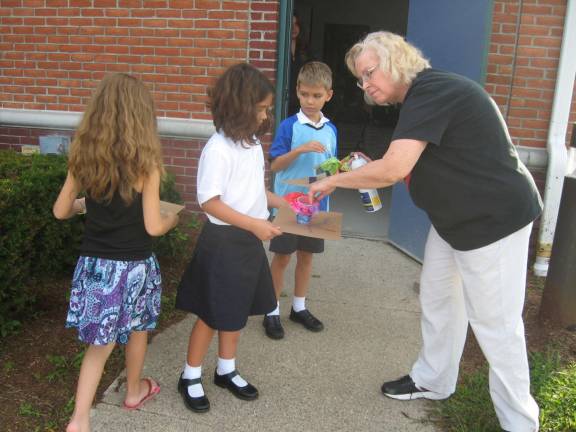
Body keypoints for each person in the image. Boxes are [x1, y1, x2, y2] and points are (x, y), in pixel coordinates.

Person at [308, 31, 542, 432]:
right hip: (454, 221)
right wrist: (365, 167)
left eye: (369, 73)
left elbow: (395, 168)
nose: (365, 86)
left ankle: (520, 422)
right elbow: (418, 159)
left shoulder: (432, 91)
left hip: (492, 221)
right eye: (360, 80)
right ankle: (433, 381)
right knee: (438, 298)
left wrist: (332, 183)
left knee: (496, 325)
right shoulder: (422, 98)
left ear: (396, 59)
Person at [53, 73, 180, 432]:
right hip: (134, 267)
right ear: (142, 117)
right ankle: (117, 401)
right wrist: (171, 218)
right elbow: (154, 226)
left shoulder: (84, 158)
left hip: (95, 267)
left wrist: (83, 205)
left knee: (100, 344)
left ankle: (95, 410)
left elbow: (60, 211)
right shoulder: (146, 164)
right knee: (137, 328)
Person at [175, 63, 286, 413]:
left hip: (246, 243)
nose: (267, 115)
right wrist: (254, 225)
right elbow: (209, 201)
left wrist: (283, 202)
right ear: (241, 107)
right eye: (263, 108)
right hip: (223, 243)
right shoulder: (218, 148)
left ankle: (226, 369)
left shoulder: (251, 145)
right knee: (212, 312)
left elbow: (254, 190)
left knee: (236, 309)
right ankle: (190, 375)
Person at [263, 61, 337, 340]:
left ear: (328, 95)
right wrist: (301, 148)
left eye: (316, 95)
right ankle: (271, 311)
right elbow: (275, 166)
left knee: (307, 257)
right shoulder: (288, 126)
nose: (309, 100)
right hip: (287, 204)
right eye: (305, 94)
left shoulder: (331, 129)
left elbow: (331, 167)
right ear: (297, 91)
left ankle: (299, 307)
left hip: (317, 205)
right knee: (282, 257)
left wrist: (334, 181)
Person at [287, 11, 314, 116]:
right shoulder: (281, 48)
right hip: (285, 98)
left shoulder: (305, 50)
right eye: (291, 24)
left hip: (301, 98)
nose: (294, 28)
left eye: (297, 24)